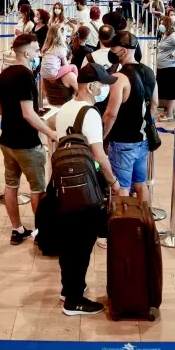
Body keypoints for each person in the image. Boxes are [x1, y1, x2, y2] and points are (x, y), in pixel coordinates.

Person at [55, 63, 121, 316]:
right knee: (82, 243)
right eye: (102, 84)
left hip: (65, 185)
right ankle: (74, 299)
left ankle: (68, 289)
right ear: (91, 85)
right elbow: (100, 156)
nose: (104, 88)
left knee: (69, 241)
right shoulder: (90, 114)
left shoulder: (64, 110)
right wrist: (114, 183)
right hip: (85, 187)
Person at [0, 34, 57, 245]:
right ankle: (41, 233)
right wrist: (50, 133)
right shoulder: (26, 75)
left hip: (7, 141)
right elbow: (28, 114)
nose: (39, 53)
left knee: (11, 185)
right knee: (37, 189)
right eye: (37, 50)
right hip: (27, 143)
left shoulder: (4, 73)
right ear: (27, 53)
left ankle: (17, 229)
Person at [102, 31, 157, 202]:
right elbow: (154, 104)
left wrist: (102, 137)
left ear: (123, 50)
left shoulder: (119, 78)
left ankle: (124, 226)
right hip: (143, 140)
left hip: (122, 142)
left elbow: (111, 114)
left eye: (113, 47)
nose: (111, 51)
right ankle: (144, 222)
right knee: (141, 184)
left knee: (122, 188)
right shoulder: (149, 71)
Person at [155, 16, 175, 122]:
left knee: (170, 91)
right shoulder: (165, 36)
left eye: (162, 23)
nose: (160, 25)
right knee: (164, 91)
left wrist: (174, 54)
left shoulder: (173, 36)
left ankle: (170, 114)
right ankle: (169, 111)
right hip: (162, 67)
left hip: (170, 68)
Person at [41, 23, 78, 94]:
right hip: (53, 74)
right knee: (73, 67)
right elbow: (65, 64)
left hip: (43, 74)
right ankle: (75, 88)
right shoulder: (60, 49)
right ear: (61, 36)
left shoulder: (46, 47)